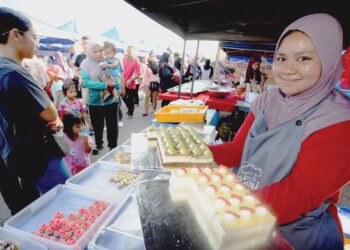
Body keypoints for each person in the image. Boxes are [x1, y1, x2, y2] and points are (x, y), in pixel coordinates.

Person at [209, 13, 350, 249]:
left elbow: (300, 193)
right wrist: (196, 155)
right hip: (246, 219)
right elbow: (239, 149)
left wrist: (228, 207)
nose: (287, 69)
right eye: (282, 58)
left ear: (329, 60)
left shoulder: (338, 120)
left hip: (297, 236)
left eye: (303, 58)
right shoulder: (268, 100)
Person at [0, 7, 69, 213]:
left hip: (12, 151)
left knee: (36, 210)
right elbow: (51, 114)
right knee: (67, 206)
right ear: (15, 34)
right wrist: (54, 116)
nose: (36, 42)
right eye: (34, 36)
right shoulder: (14, 72)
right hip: (39, 154)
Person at [80, 41, 119, 155]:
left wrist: (116, 82)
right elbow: (86, 82)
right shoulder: (85, 64)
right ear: (90, 52)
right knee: (97, 126)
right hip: (95, 101)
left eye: (100, 51)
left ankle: (113, 146)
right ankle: (99, 144)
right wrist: (104, 85)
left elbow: (117, 77)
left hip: (111, 99)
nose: (98, 53)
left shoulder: (109, 61)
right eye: (95, 51)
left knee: (112, 125)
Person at [122, 45, 141, 119]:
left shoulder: (136, 61)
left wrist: (131, 79)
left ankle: (131, 112)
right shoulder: (123, 59)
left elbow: (138, 73)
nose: (129, 52)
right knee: (122, 96)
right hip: (122, 81)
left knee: (129, 98)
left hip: (130, 82)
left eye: (130, 51)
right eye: (128, 51)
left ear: (133, 52)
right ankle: (130, 107)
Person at [140, 51, 159, 116]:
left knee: (154, 97)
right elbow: (145, 76)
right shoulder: (147, 66)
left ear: (155, 57)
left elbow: (159, 76)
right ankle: (146, 110)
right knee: (147, 96)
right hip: (148, 84)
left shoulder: (158, 66)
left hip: (156, 83)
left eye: (153, 56)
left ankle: (154, 109)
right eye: (151, 56)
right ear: (149, 57)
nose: (152, 57)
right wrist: (142, 84)